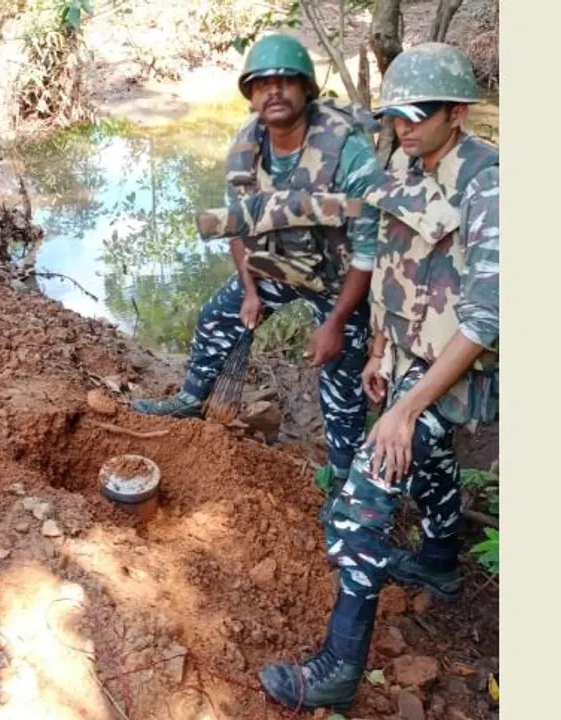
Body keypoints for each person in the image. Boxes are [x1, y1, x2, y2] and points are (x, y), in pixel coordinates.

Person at [254, 42, 502, 712]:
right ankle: (441, 561)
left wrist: (405, 406)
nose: (404, 126)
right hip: (405, 359)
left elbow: (487, 317)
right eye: (395, 116)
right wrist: (377, 355)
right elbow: (392, 263)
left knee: (359, 510)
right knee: (429, 460)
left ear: (458, 110)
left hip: (454, 372)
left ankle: (338, 666)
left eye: (419, 114)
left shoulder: (488, 182)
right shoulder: (403, 162)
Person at [130, 33, 384, 489]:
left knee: (340, 376)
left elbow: (369, 252)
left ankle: (344, 477)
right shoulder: (245, 150)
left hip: (340, 279)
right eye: (262, 83)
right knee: (216, 317)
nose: (275, 91)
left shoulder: (349, 153)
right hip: (278, 264)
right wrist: (250, 292)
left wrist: (334, 323)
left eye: (287, 81)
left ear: (307, 88)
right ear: (250, 95)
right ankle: (191, 398)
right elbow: (238, 227)